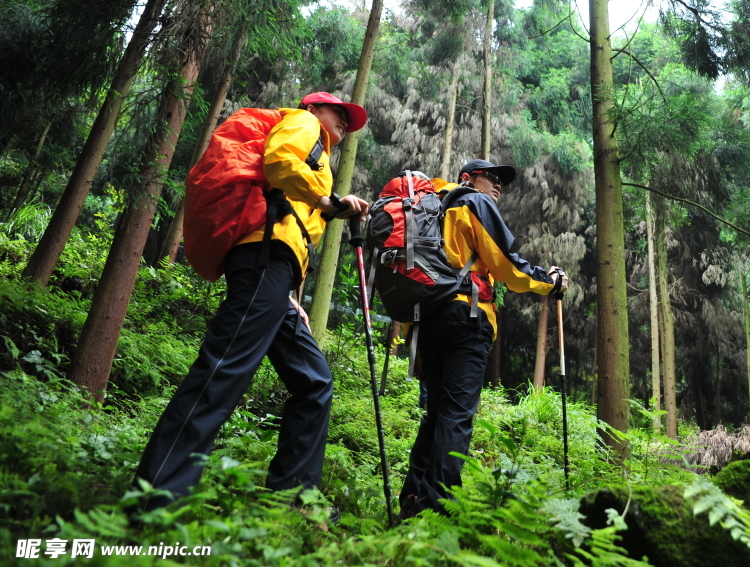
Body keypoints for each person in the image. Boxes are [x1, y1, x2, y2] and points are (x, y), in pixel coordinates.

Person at [133, 92, 369, 511]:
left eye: (350, 120)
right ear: (314, 108)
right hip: (264, 260)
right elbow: (279, 165)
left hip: (275, 273)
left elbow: (294, 215)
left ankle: (294, 498)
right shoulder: (304, 124)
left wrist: (289, 292)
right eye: (340, 113)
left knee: (314, 382)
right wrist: (327, 202)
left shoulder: (319, 154)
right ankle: (155, 499)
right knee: (224, 368)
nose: (345, 124)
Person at [398, 159, 569, 519]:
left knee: (435, 415)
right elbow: (506, 264)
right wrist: (549, 281)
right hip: (466, 318)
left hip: (428, 320)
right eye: (489, 178)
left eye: (500, 183)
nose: (496, 186)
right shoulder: (472, 201)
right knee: (456, 414)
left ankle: (414, 499)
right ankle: (439, 509)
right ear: (467, 178)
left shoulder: (431, 205)